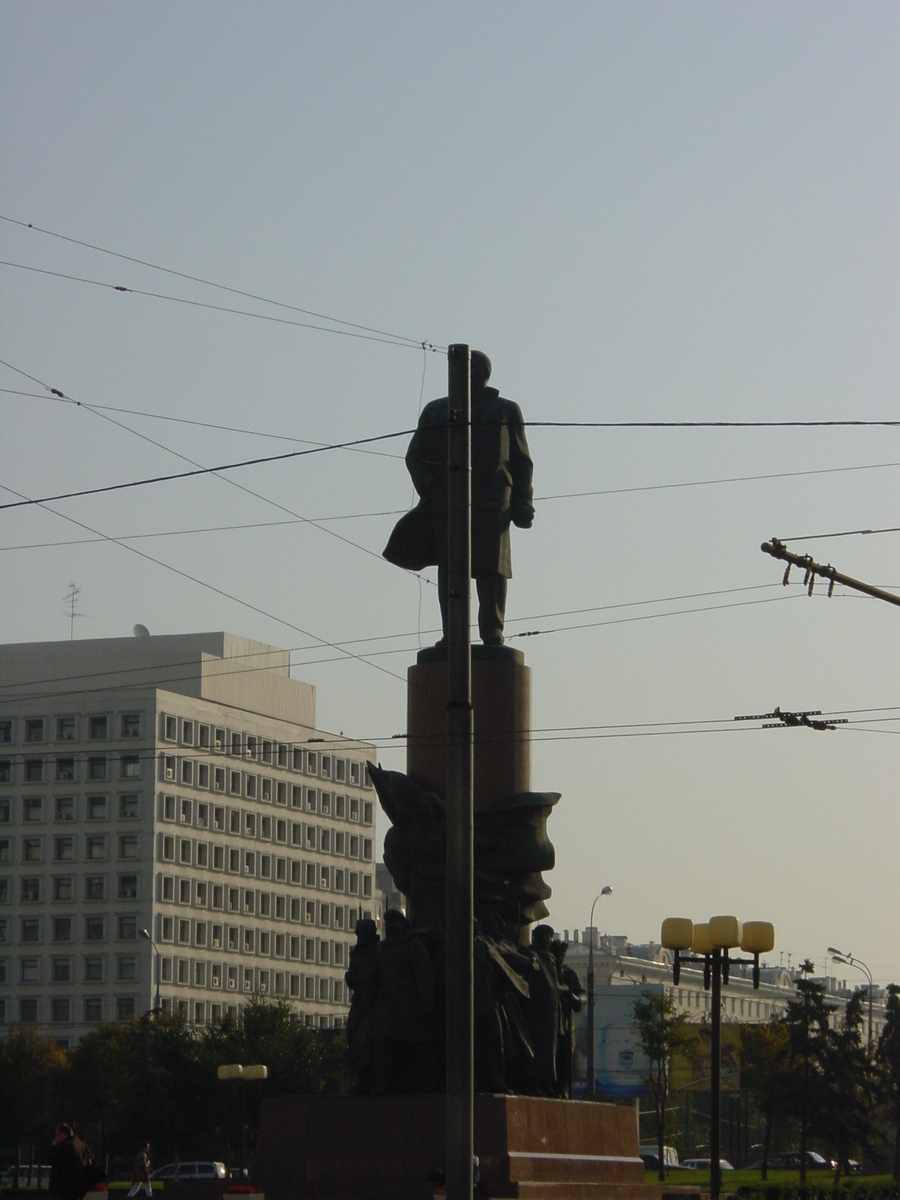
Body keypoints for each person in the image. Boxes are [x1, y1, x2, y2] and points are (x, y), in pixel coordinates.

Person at [383, 351, 534, 646]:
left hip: (493, 503)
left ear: (484, 374)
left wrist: (523, 500)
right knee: (451, 570)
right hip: (449, 502)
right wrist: (431, 486)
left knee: (493, 570)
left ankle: (493, 632)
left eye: (473, 369)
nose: (467, 375)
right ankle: (452, 634)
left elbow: (521, 461)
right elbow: (415, 456)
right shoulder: (437, 411)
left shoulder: (505, 410)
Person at [49, 1124, 92, 1200]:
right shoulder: (81, 1144)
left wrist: (54, 1145)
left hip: (66, 1188)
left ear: (62, 1134)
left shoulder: (64, 1146)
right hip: (79, 1187)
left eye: (57, 1135)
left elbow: (51, 1159)